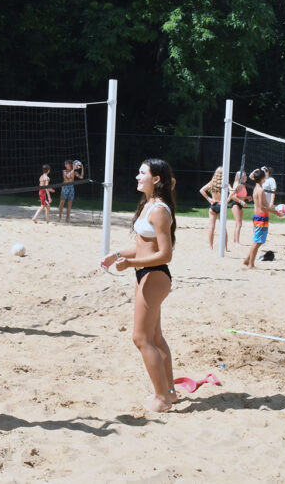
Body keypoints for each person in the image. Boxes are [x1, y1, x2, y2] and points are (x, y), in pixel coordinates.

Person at [100, 159, 177, 412]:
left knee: (141, 338)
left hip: (155, 274)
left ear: (156, 179)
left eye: (142, 172)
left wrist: (132, 263)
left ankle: (162, 397)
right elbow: (145, 246)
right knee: (154, 336)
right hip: (146, 272)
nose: (137, 176)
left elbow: (165, 254)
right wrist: (118, 254)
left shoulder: (159, 211)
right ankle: (170, 392)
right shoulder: (148, 205)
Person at [242, 168, 277, 269]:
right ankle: (251, 264)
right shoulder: (260, 190)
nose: (266, 177)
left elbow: (263, 205)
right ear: (262, 178)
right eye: (264, 176)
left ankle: (247, 260)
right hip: (261, 217)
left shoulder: (256, 188)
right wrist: (275, 212)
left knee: (258, 240)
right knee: (257, 242)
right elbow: (262, 207)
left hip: (259, 216)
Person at [198, 167, 225, 250]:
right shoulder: (224, 183)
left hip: (213, 205)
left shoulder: (213, 182)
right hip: (221, 205)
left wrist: (209, 199)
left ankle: (210, 246)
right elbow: (232, 193)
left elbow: (201, 190)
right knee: (223, 227)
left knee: (211, 226)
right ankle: (225, 248)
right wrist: (226, 201)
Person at [230, 170, 249, 245]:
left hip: (240, 204)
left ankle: (235, 241)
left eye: (246, 175)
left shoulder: (243, 185)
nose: (246, 177)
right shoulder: (237, 184)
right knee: (239, 224)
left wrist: (247, 197)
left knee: (238, 224)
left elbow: (240, 196)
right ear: (239, 177)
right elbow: (232, 196)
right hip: (236, 204)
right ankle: (237, 242)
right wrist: (241, 202)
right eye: (244, 175)